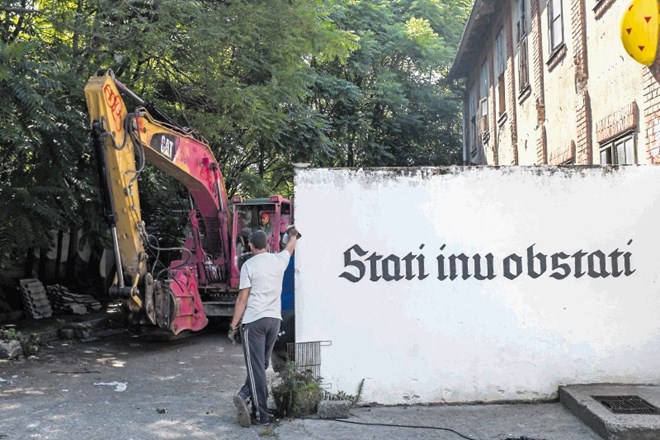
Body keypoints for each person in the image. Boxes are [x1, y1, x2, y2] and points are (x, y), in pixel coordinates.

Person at [228, 225, 300, 427]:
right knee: (261, 365)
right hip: (274, 321)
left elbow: (243, 298)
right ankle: (245, 396)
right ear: (268, 244)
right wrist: (294, 233)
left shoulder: (248, 266)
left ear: (250, 246)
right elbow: (291, 245)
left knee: (256, 366)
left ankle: (261, 414)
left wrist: (233, 325)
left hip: (254, 321)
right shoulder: (279, 260)